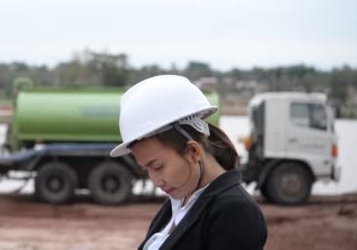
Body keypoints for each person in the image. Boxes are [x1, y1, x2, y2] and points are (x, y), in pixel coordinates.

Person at [110, 75, 267, 250]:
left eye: (158, 166)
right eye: (146, 169)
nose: (155, 181)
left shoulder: (236, 212)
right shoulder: (180, 202)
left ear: (193, 151)